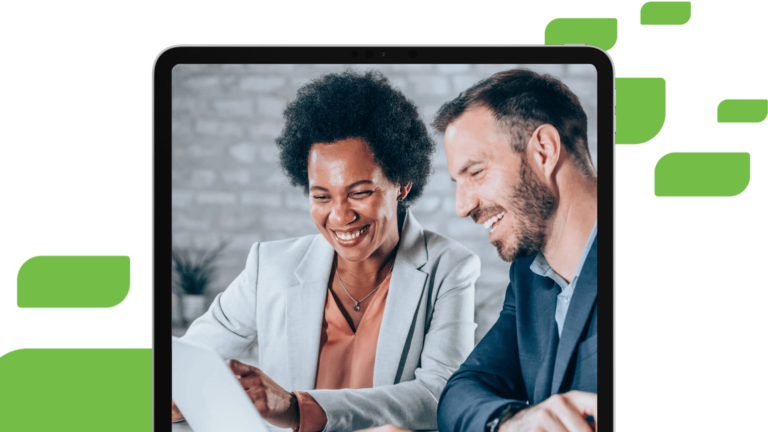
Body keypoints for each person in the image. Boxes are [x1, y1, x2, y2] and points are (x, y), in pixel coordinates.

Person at [172, 70, 480, 432]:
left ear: (401, 185)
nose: (340, 215)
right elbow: (185, 367)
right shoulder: (269, 267)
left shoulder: (450, 268)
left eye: (360, 192)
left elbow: (439, 395)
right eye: (321, 196)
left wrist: (295, 407)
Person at [432, 69, 599, 432]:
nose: (462, 206)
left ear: (544, 150)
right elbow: (464, 389)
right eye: (457, 182)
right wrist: (511, 422)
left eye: (475, 172)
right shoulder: (528, 275)